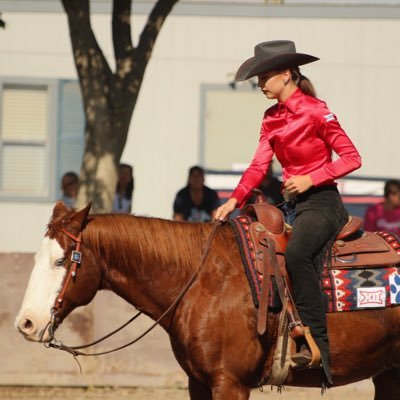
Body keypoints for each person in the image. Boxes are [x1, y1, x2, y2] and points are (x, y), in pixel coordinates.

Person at [215, 40, 362, 386]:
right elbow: (257, 166)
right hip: (293, 205)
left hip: (323, 203)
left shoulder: (316, 110)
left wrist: (312, 177)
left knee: (296, 256)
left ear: (286, 74)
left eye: (265, 77)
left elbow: (352, 157)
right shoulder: (271, 119)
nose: (260, 84)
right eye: (258, 79)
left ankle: (318, 350)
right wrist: (234, 200)